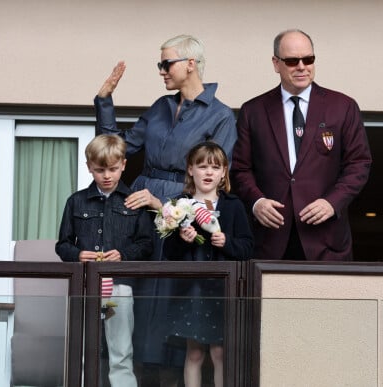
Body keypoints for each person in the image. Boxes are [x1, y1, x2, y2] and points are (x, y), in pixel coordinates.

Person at [94, 34, 237, 383]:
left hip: (178, 221)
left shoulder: (221, 116)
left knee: (168, 307)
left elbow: (213, 180)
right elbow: (117, 150)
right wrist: (104, 101)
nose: (161, 70)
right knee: (130, 302)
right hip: (138, 215)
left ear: (190, 63)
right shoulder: (160, 106)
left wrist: (164, 203)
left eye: (166, 63)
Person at [231, 29, 372, 261]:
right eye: (292, 61)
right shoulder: (253, 111)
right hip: (271, 240)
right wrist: (257, 202)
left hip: (326, 240)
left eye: (308, 59)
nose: (302, 66)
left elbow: (359, 164)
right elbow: (240, 169)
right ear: (276, 64)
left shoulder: (343, 106)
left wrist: (332, 202)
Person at [55, 134, 154, 387]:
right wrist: (76, 254)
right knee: (84, 346)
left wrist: (124, 255)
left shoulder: (135, 202)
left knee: (120, 349)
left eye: (112, 169)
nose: (107, 175)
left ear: (123, 164)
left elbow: (147, 244)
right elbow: (62, 244)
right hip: (85, 287)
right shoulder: (76, 201)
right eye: (100, 170)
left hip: (118, 289)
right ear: (89, 167)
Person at [162, 141, 253, 387]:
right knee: (194, 352)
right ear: (190, 170)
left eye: (215, 167)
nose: (208, 172)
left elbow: (247, 247)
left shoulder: (233, 205)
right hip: (191, 290)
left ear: (224, 172)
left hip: (223, 291)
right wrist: (183, 239)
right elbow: (167, 252)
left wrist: (227, 242)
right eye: (202, 166)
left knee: (219, 353)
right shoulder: (178, 205)